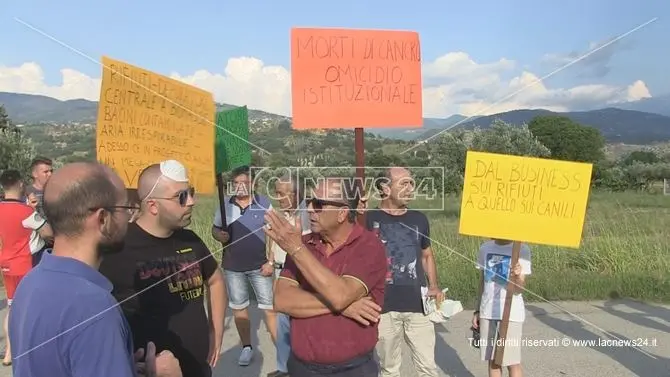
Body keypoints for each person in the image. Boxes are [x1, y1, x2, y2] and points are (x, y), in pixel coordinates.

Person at [7, 161, 182, 377]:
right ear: (103, 219)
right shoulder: (94, 308)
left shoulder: (31, 282)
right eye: (126, 209)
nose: (131, 218)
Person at [99, 160, 227, 377]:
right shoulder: (117, 249)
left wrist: (216, 329)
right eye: (181, 196)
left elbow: (215, 279)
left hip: (198, 368)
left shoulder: (191, 240)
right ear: (152, 206)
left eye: (191, 192)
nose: (192, 202)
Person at [267, 177, 388, 377]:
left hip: (352, 370)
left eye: (319, 204)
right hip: (301, 368)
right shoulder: (304, 245)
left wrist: (295, 249)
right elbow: (281, 300)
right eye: (309, 202)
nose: (310, 209)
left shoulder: (369, 247)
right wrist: (345, 306)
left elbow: (340, 295)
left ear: (342, 213)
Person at [365, 167, 443, 377]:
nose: (411, 189)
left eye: (412, 183)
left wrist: (434, 286)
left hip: (418, 304)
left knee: (427, 367)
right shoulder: (367, 219)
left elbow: (426, 254)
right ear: (385, 187)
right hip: (383, 306)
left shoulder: (419, 219)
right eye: (404, 183)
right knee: (389, 369)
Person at [211, 165, 275, 366]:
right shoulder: (225, 205)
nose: (240, 187)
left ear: (253, 184)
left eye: (245, 183)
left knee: (270, 309)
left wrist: (271, 262)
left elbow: (273, 233)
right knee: (239, 308)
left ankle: (281, 348)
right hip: (232, 267)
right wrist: (218, 235)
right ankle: (247, 347)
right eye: (237, 183)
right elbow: (215, 229)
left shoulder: (264, 203)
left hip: (260, 266)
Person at [0, 169, 53, 366]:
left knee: (12, 306)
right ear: (21, 184)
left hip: (6, 264)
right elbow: (48, 233)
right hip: (26, 263)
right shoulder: (26, 212)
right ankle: (31, 348)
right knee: (31, 306)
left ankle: (8, 352)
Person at [267, 172, 311, 377]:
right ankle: (284, 369)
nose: (278, 198)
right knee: (283, 323)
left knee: (300, 326)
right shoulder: (281, 215)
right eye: (276, 193)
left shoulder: (309, 216)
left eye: (283, 194)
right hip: (280, 273)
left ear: (297, 193)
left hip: (300, 278)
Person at [472, 239, 531, 377]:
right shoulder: (485, 248)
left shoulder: (522, 250)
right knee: (493, 361)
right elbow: (482, 281)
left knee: (512, 362)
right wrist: (477, 310)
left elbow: (519, 290)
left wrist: (517, 277)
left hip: (512, 313)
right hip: (488, 311)